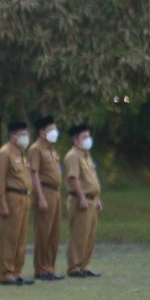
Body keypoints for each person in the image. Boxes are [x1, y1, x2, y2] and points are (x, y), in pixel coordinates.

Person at [0, 119, 35, 285]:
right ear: (13, 136)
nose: (26, 137)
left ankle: (17, 271)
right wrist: (2, 203)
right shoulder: (5, 153)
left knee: (21, 237)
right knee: (10, 237)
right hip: (12, 198)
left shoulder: (20, 154)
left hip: (24, 197)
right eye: (23, 134)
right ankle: (6, 273)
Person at [65, 122, 104, 277]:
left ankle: (85, 265)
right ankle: (74, 266)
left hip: (92, 199)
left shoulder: (86, 155)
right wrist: (82, 197)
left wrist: (98, 198)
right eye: (85, 136)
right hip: (80, 200)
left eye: (89, 136)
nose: (88, 139)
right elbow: (73, 179)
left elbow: (91, 178)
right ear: (76, 140)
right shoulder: (73, 156)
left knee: (90, 234)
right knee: (79, 234)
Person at [28, 115, 64, 280]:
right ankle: (41, 268)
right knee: (43, 231)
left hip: (56, 193)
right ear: (42, 132)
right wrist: (41, 197)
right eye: (51, 129)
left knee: (54, 232)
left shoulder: (52, 149)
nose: (54, 132)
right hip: (45, 191)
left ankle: (49, 266)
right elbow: (34, 174)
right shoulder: (36, 149)